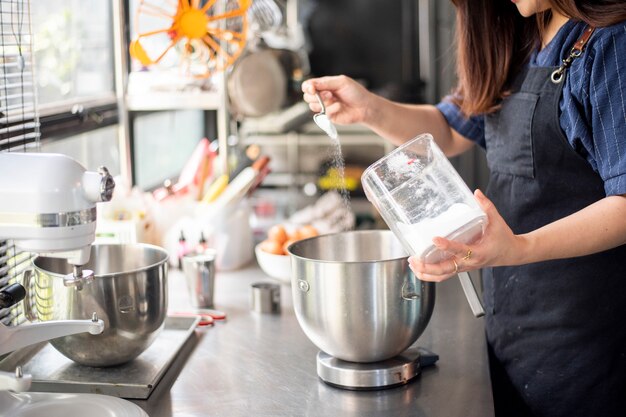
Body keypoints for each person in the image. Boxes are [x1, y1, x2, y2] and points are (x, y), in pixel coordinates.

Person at [302, 1, 626, 416]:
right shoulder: (519, 35)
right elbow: (451, 129)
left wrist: (519, 247)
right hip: (513, 330)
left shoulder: (610, 47)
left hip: (589, 349)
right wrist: (368, 109)